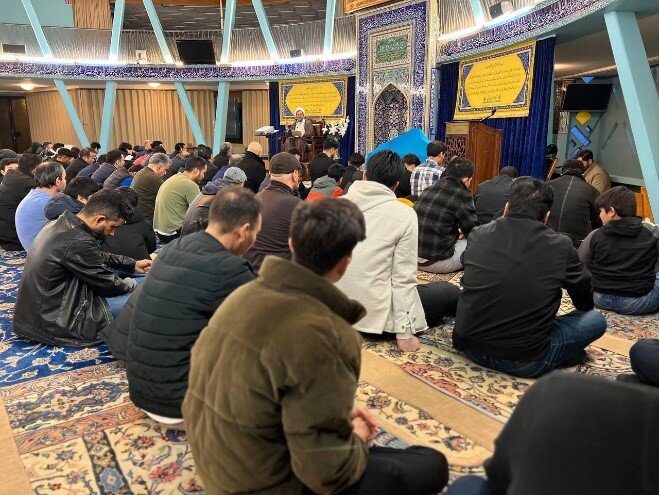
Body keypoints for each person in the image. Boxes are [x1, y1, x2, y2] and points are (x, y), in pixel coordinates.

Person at [183, 198, 449, 495]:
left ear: (291, 244)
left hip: (217, 463)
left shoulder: (242, 295)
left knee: (401, 459)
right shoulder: (328, 334)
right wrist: (355, 437)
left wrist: (335, 413)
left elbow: (259, 390)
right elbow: (325, 473)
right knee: (432, 464)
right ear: (345, 263)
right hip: (265, 484)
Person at [104, 187, 261, 430]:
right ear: (244, 231)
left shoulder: (173, 248)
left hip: (143, 393)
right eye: (256, 234)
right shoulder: (230, 269)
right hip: (181, 406)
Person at [453, 177, 606, 378]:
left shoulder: (478, 234)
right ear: (546, 216)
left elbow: (467, 265)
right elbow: (583, 292)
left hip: (470, 346)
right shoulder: (560, 245)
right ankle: (564, 353)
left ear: (506, 207)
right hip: (524, 360)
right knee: (595, 320)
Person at [446, 373, 659, 495]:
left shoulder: (558, 389)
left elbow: (498, 473)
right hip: (525, 354)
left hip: (474, 344)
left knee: (466, 486)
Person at [337, 151, 460, 352]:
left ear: (365, 175)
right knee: (449, 291)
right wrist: (405, 333)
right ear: (395, 185)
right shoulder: (404, 213)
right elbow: (403, 277)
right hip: (376, 321)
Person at [13, 189, 152, 347]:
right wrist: (133, 284)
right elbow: (110, 285)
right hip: (59, 321)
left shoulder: (60, 224)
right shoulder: (78, 240)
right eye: (113, 227)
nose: (113, 233)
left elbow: (94, 256)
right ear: (100, 220)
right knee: (149, 296)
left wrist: (132, 264)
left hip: (45, 312)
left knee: (147, 283)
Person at [578, 186, 659, 314]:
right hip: (639, 303)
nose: (599, 215)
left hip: (598, 298)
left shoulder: (595, 235)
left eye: (601, 210)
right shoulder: (652, 233)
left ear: (611, 211)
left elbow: (580, 264)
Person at [415, 158, 478, 273]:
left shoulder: (429, 189)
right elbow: (473, 231)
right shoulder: (462, 194)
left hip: (414, 258)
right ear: (466, 180)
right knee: (475, 243)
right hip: (435, 263)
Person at [243, 152, 301, 274]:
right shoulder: (297, 206)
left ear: (270, 173)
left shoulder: (254, 199)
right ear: (295, 175)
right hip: (279, 277)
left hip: (250, 273)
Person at [547, 159, 601, 247]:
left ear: (562, 171)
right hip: (575, 243)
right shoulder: (592, 191)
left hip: (547, 236)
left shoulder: (548, 185)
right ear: (583, 172)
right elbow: (597, 222)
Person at [180, 166, 246, 237]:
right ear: (241, 184)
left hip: (188, 232)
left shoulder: (214, 187)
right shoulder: (226, 195)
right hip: (196, 236)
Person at [153, 156, 206, 243]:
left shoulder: (177, 177)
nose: (203, 176)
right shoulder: (190, 185)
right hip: (172, 233)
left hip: (160, 230)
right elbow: (200, 210)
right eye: (203, 172)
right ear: (196, 171)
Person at [15, 162, 67, 251]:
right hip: (43, 254)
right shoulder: (48, 203)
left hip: (35, 251)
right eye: (65, 178)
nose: (66, 181)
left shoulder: (35, 195)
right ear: (58, 181)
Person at [101, 187, 156, 260]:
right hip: (142, 263)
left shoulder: (103, 221)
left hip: (109, 262)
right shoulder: (144, 223)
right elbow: (151, 247)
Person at [0, 153, 40, 251]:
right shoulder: (28, 182)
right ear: (35, 169)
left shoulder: (11, 175)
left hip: (5, 232)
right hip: (14, 238)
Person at [130, 152, 170, 224]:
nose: (165, 173)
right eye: (165, 169)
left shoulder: (142, 172)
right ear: (159, 167)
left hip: (138, 216)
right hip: (148, 220)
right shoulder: (153, 178)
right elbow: (169, 197)